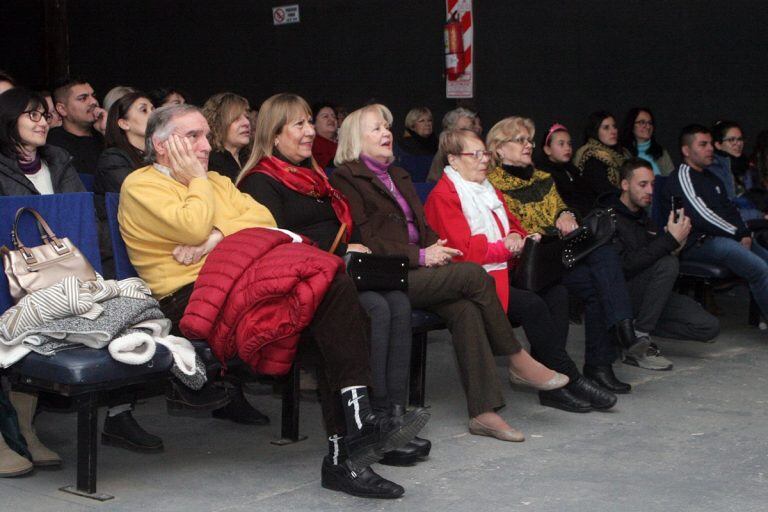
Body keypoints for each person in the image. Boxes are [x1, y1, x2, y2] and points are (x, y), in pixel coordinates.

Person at [118, 104, 427, 499]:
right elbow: (191, 223)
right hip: (192, 298)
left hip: (244, 283)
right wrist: (199, 189)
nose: (204, 145)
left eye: (205, 136)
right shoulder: (141, 185)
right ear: (162, 146)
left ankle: (350, 447)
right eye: (192, 136)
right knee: (331, 289)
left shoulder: (216, 180)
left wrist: (214, 238)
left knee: (330, 303)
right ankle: (354, 436)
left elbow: (263, 220)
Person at [330, 103, 567, 440]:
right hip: (387, 272)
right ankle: (516, 357)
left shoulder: (397, 175)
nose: (386, 133)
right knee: (473, 275)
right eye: (376, 128)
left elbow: (420, 226)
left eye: (387, 126)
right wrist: (422, 254)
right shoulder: (346, 177)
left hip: (416, 267)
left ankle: (484, 413)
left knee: (466, 308)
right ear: (356, 138)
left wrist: (436, 247)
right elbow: (367, 238)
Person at [238, 93, 429, 466]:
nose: (310, 131)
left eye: (311, 122)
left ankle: (391, 417)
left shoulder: (313, 176)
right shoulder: (261, 182)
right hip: (302, 279)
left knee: (397, 302)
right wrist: (339, 249)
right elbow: (279, 243)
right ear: (274, 136)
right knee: (375, 306)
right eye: (299, 124)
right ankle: (371, 422)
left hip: (337, 269)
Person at [425, 129, 616, 412]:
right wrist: (507, 246)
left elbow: (514, 225)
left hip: (503, 271)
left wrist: (515, 236)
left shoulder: (486, 189)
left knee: (557, 292)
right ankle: (570, 379)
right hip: (471, 280)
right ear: (453, 160)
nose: (483, 160)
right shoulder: (444, 196)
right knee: (532, 305)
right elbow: (464, 252)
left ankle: (553, 384)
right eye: (474, 154)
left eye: (485, 153)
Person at [487, 116, 648, 394]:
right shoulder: (492, 184)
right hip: (527, 263)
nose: (528, 145)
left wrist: (566, 216)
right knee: (601, 264)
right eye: (520, 140)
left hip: (557, 257)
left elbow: (561, 207)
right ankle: (625, 330)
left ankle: (600, 365)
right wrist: (555, 225)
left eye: (530, 140)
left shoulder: (542, 178)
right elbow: (518, 226)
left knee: (600, 274)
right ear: (499, 149)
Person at [0, 87, 87, 474]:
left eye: (44, 116)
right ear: (9, 121)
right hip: (6, 273)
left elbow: (77, 214)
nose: (42, 122)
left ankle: (25, 432)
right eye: (31, 115)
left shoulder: (58, 160)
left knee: (38, 333)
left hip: (50, 274)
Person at [598, 158, 719, 370]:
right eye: (642, 184)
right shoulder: (607, 217)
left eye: (653, 184)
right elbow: (623, 267)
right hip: (620, 294)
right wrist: (668, 243)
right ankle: (637, 340)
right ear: (625, 185)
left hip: (649, 295)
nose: (650, 190)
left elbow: (657, 256)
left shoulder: (644, 219)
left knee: (708, 327)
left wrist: (676, 243)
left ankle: (628, 330)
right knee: (668, 263)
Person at [662, 125, 768, 323]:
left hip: (721, 238)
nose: (710, 148)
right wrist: (737, 234)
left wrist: (744, 233)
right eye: (703, 144)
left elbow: (729, 209)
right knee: (759, 270)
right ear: (686, 151)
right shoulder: (682, 176)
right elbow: (702, 215)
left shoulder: (711, 177)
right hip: (695, 243)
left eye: (710, 143)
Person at [96, 91, 154, 194]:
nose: (153, 114)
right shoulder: (113, 158)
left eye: (153, 109)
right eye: (144, 110)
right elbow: (141, 193)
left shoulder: (159, 154)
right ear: (124, 124)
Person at [47, 77, 106, 175]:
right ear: (62, 109)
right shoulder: (53, 143)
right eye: (83, 98)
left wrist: (106, 132)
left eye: (93, 96)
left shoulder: (103, 135)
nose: (93, 102)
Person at [536, 123, 594, 217]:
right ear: (547, 150)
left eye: (569, 144)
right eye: (561, 144)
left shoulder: (573, 170)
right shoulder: (543, 175)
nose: (567, 148)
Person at [573, 111, 630, 207]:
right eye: (606, 128)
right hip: (603, 212)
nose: (613, 131)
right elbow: (605, 191)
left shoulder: (624, 154)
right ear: (595, 131)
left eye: (614, 127)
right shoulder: (591, 156)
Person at [201, 92, 251, 182]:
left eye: (247, 117)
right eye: (236, 119)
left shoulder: (250, 159)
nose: (246, 123)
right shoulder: (209, 163)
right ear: (217, 123)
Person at [427, 107, 478, 183]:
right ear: (450, 131)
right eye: (463, 129)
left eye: (470, 128)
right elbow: (433, 182)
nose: (468, 132)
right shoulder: (444, 153)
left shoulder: (481, 151)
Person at [619, 107, 675, 176]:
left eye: (650, 123)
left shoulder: (661, 152)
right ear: (631, 125)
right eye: (642, 122)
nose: (648, 126)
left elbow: (672, 179)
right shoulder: (622, 153)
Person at [709, 120, 750, 196]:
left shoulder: (745, 165)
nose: (738, 143)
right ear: (718, 145)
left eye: (740, 139)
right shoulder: (713, 168)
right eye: (731, 140)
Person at [311, 101, 338, 169]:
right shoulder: (311, 146)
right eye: (325, 116)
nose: (332, 119)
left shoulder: (342, 143)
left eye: (334, 116)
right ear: (314, 124)